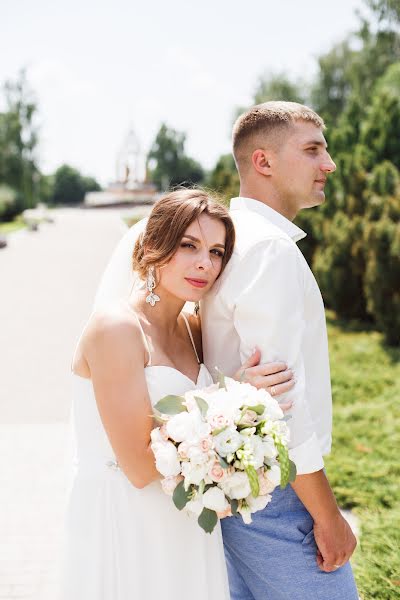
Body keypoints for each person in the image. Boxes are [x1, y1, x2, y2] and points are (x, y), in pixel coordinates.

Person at [62, 189, 295, 600]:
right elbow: (137, 465)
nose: (205, 263)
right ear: (153, 245)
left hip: (185, 521)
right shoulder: (116, 328)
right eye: (189, 245)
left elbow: (203, 405)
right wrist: (236, 399)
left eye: (217, 252)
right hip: (128, 519)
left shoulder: (193, 328)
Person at [200, 101, 359, 599]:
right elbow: (279, 406)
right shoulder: (267, 248)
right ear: (263, 162)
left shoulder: (230, 237)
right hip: (278, 493)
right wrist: (327, 515)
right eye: (313, 150)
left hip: (239, 485)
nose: (328, 164)